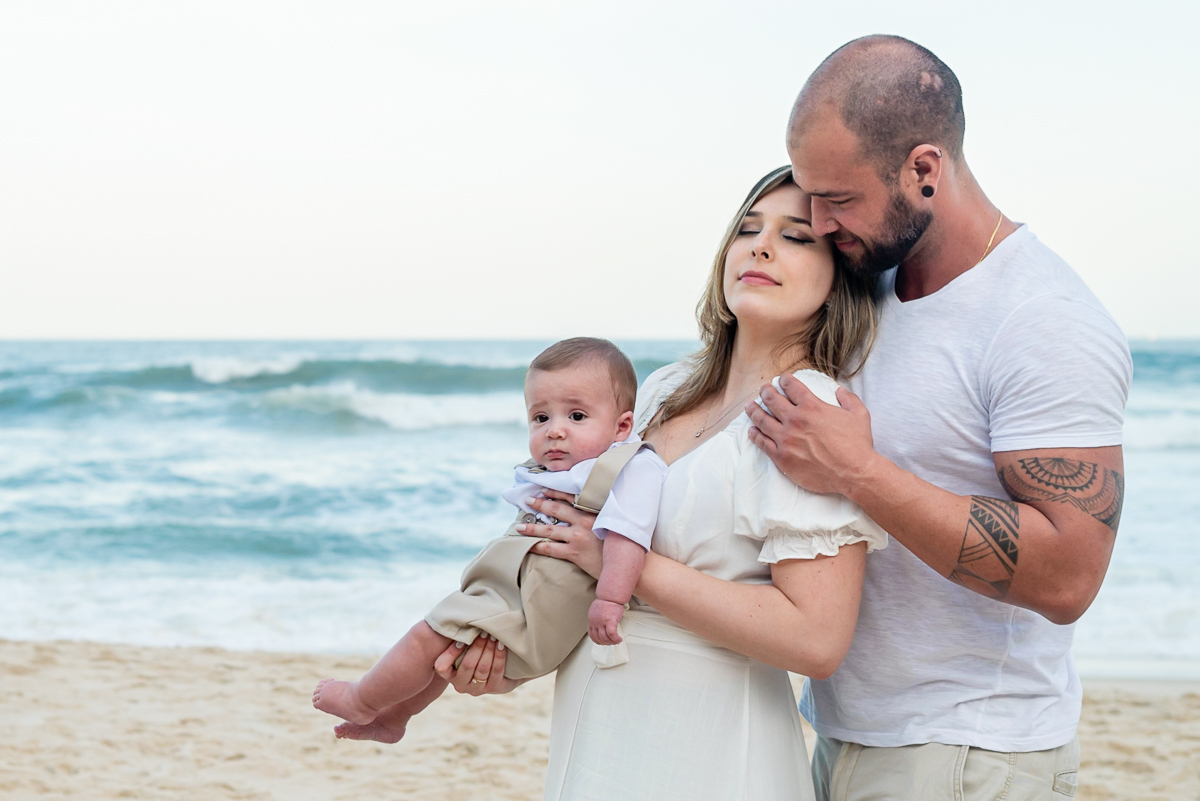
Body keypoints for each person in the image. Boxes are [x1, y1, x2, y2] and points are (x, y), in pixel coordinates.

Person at [741, 36, 1133, 800]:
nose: (818, 222)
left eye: (839, 198)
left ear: (923, 169)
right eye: (809, 194)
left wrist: (856, 469)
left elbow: (1070, 575)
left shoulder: (1042, 317)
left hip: (970, 755)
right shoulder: (866, 282)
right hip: (843, 733)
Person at [433, 166, 889, 801]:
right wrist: (513, 652)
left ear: (839, 275)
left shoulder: (805, 410)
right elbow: (576, 551)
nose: (759, 246)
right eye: (748, 228)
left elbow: (816, 640)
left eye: (796, 237)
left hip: (707, 742)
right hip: (598, 720)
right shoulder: (666, 390)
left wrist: (626, 565)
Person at [312, 337, 668, 744]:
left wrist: (610, 599)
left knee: (425, 636)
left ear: (622, 426)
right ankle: (395, 717)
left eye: (576, 415)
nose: (555, 431)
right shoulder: (565, 470)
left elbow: (628, 538)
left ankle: (363, 698)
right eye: (540, 418)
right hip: (514, 600)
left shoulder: (631, 467)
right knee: (439, 650)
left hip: (534, 614)